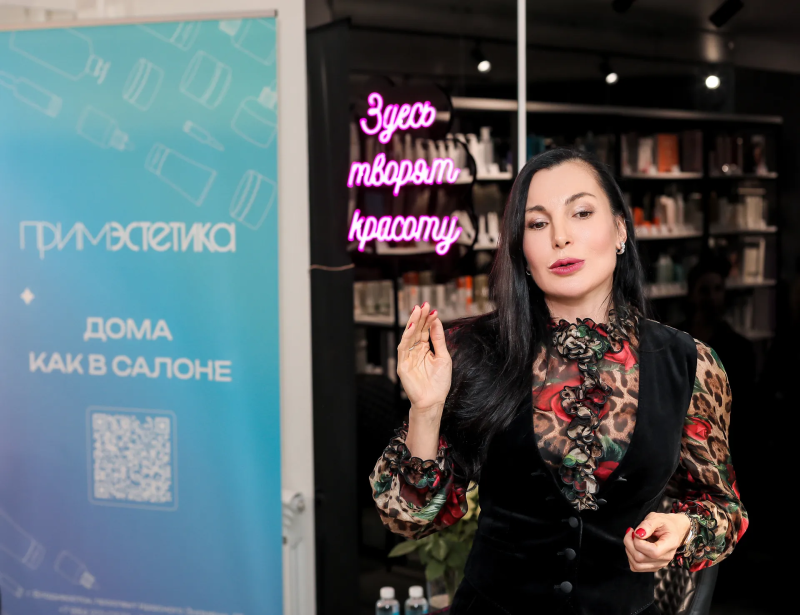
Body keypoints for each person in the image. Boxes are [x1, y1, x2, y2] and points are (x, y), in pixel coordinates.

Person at [368, 148, 748, 614]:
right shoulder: (472, 352)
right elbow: (408, 518)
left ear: (620, 230)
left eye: (581, 213)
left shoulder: (690, 363)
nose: (560, 237)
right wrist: (425, 411)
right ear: (521, 251)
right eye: (537, 223)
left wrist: (684, 528)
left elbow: (725, 510)